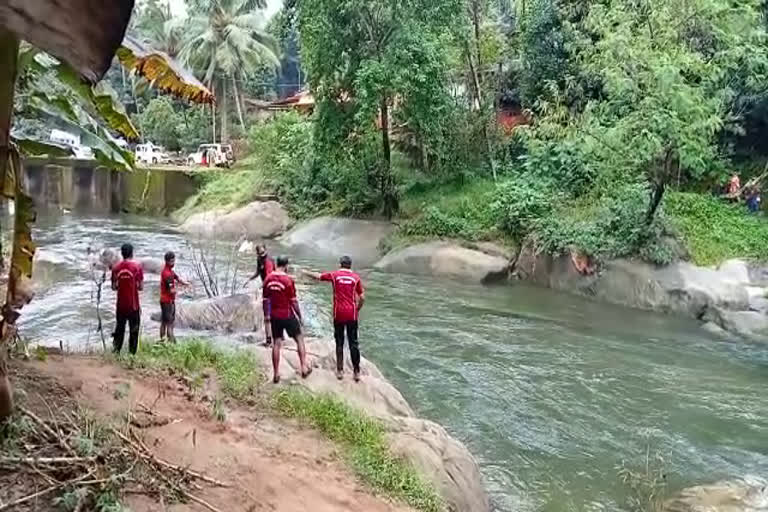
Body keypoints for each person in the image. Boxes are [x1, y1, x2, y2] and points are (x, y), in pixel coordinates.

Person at [304, 256, 365, 382]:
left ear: (340, 264)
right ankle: (356, 372)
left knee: (339, 342)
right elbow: (363, 297)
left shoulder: (335, 275)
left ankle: (340, 370)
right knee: (354, 343)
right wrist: (357, 309)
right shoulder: (356, 278)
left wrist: (306, 272)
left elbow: (319, 276)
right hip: (352, 314)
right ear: (350, 265)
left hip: (339, 314)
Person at [262, 256, 311, 383]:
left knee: (276, 343)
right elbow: (293, 301)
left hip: (275, 316)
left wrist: (266, 315)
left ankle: (276, 373)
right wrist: (300, 316)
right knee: (299, 338)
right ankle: (304, 367)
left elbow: (265, 300)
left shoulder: (268, 279)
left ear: (277, 264)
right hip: (287, 315)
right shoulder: (288, 280)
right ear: (286, 266)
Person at [111, 243, 144, 355]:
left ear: (122, 253)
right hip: (133, 306)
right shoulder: (137, 267)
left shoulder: (116, 268)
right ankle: (131, 356)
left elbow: (114, 287)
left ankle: (115, 353)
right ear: (132, 253)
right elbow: (141, 287)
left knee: (119, 330)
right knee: (133, 332)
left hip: (120, 306)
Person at [159, 251, 188, 343]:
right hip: (167, 302)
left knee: (164, 322)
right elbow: (171, 290)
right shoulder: (167, 274)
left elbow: (176, 277)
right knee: (169, 324)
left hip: (166, 300)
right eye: (172, 261)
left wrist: (184, 283)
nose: (173, 263)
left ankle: (163, 341)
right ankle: (172, 342)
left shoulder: (169, 271)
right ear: (167, 261)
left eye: (174, 261)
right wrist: (183, 291)